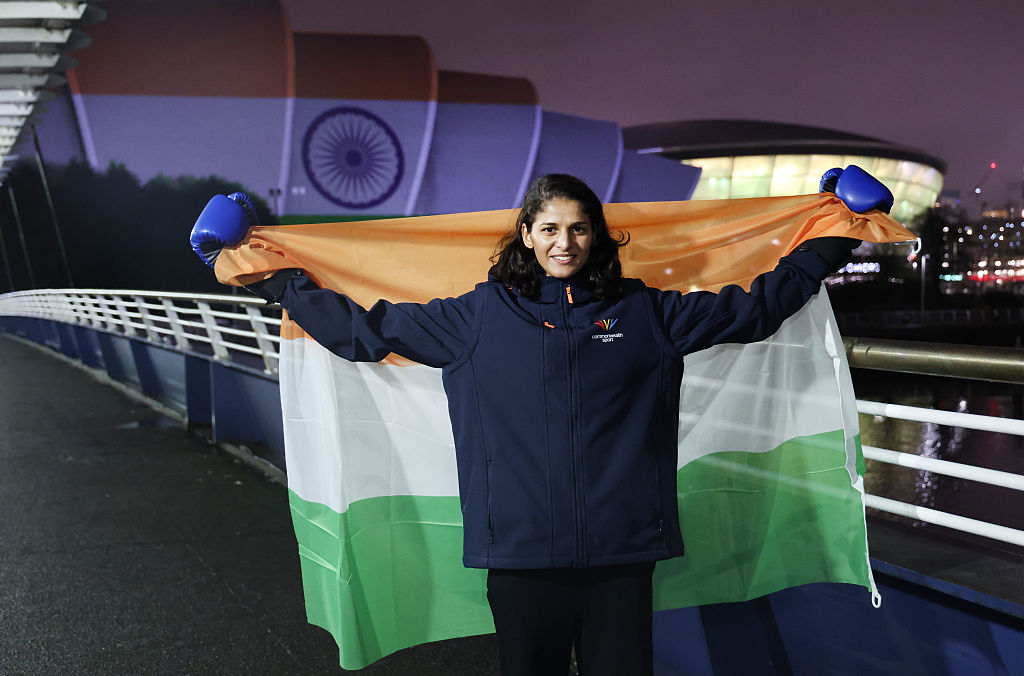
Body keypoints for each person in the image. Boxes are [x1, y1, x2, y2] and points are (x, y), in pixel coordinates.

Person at [190, 168, 892, 675]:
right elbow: (362, 331)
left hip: (621, 552)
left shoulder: (646, 313)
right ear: (526, 235)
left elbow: (759, 307)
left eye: (578, 228)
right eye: (550, 228)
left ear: (597, 237)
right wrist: (270, 273)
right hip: (521, 555)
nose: (565, 242)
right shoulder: (477, 317)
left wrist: (837, 233)